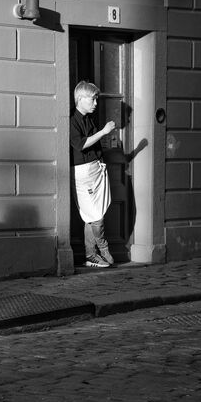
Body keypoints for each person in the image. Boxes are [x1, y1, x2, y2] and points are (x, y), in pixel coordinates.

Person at [69, 80, 116, 268]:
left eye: (96, 99)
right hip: (84, 171)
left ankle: (90, 255)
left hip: (95, 169)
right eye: (92, 99)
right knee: (96, 215)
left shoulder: (88, 118)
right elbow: (80, 144)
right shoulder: (72, 120)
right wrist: (104, 132)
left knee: (92, 215)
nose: (96, 103)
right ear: (80, 99)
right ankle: (103, 248)